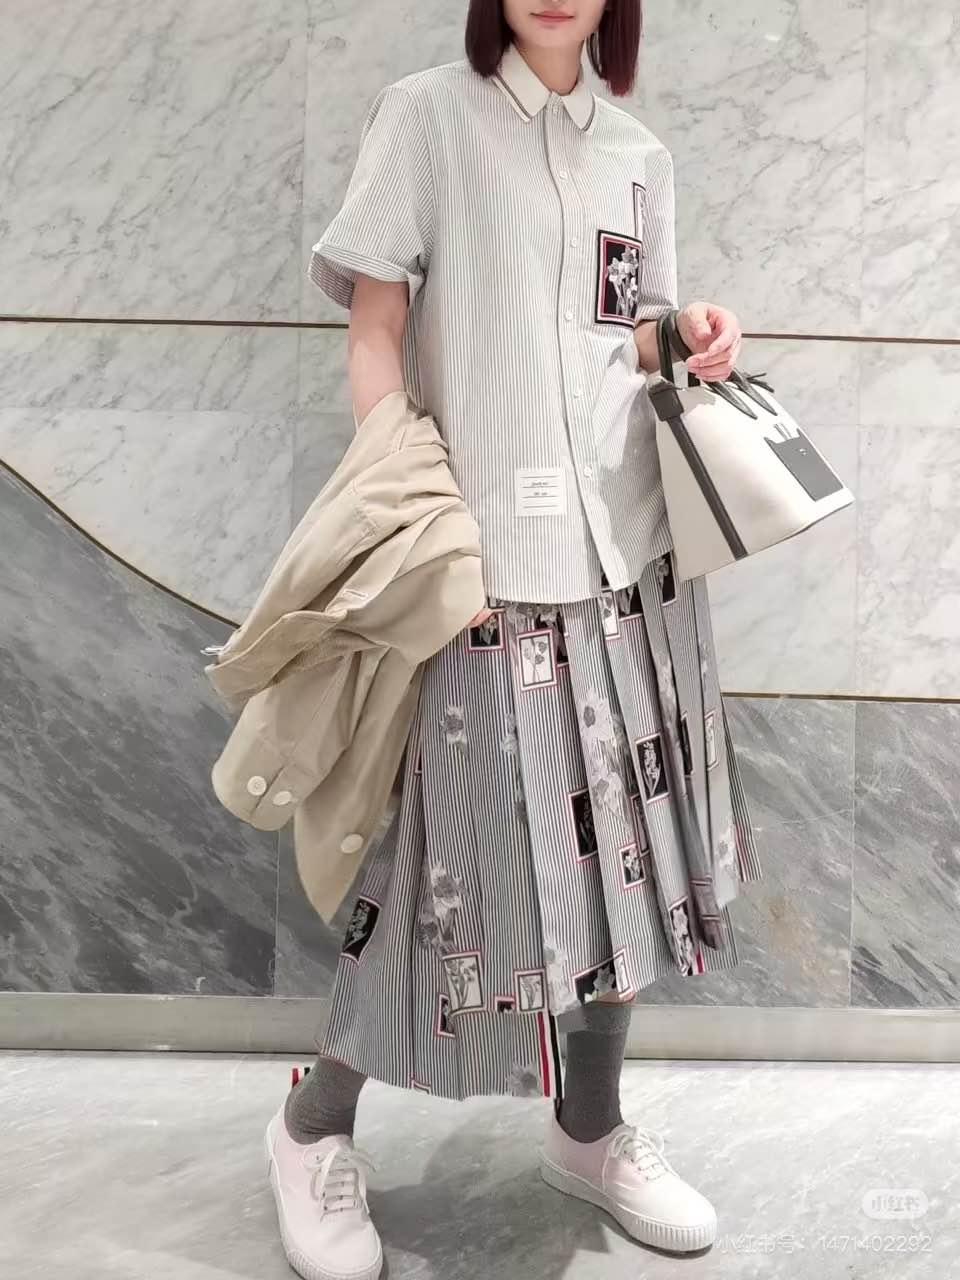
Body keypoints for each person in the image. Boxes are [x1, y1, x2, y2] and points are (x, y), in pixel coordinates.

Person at [264, 3, 763, 1277]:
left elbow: (621, 331)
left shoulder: (636, 153)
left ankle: (588, 1129)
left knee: (619, 871)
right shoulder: (428, 117)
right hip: (484, 569)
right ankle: (310, 1126)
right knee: (439, 876)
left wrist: (687, 330)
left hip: (627, 564)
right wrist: (418, 512)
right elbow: (376, 329)